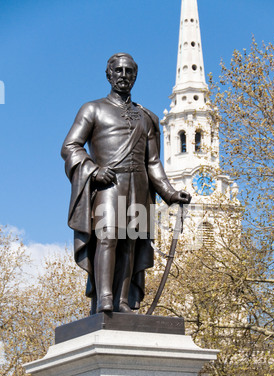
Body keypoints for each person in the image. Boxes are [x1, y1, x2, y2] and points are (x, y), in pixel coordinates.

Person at [61, 53, 190, 315]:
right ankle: (104, 298)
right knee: (108, 236)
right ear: (108, 74)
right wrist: (93, 170)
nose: (123, 75)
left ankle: (122, 300)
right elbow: (70, 146)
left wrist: (170, 193)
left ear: (135, 76)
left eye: (129, 71)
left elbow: (153, 162)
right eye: (118, 70)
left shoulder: (147, 117)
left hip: (139, 185)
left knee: (130, 242)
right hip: (108, 185)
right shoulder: (92, 109)